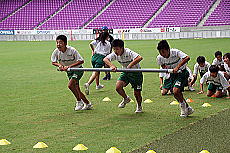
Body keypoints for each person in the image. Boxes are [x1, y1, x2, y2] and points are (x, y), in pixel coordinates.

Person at [51, 35, 92, 111]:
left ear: (65, 43)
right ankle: (88, 103)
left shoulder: (72, 50)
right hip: (69, 72)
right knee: (76, 89)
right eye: (57, 43)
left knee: (70, 85)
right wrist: (60, 65)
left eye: (60, 42)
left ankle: (79, 101)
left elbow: (81, 61)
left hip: (78, 70)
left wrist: (69, 66)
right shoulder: (56, 52)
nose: (58, 44)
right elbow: (53, 62)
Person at [103, 39, 143, 113]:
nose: (115, 51)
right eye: (114, 49)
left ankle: (139, 106)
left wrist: (130, 65)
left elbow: (139, 57)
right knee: (118, 87)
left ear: (122, 48)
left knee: (137, 93)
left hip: (136, 73)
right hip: (125, 72)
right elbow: (105, 59)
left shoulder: (128, 52)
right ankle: (126, 98)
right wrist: (111, 65)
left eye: (117, 49)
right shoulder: (114, 54)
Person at [156, 40, 194, 117]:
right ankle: (188, 108)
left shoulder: (176, 52)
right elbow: (162, 65)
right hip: (172, 75)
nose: (162, 54)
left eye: (163, 52)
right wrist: (165, 69)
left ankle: (183, 108)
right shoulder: (159, 58)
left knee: (176, 91)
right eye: (160, 52)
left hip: (182, 73)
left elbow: (187, 58)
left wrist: (177, 67)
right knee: (175, 93)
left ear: (168, 49)